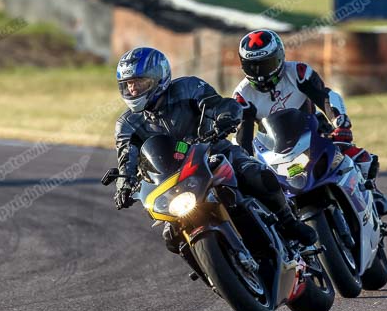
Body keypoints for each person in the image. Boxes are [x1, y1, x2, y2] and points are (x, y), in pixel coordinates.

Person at [113, 46, 317, 250]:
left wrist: (225, 117)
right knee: (172, 238)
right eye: (128, 84)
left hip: (214, 152)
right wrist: (124, 184)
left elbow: (218, 104)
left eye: (139, 82)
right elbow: (126, 157)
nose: (133, 90)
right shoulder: (127, 124)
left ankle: (289, 223)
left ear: (158, 78)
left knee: (258, 176)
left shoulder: (188, 87)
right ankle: (212, 265)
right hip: (173, 179)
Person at [233, 29, 387, 217]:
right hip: (275, 148)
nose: (260, 74)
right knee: (258, 187)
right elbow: (243, 137)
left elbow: (325, 97)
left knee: (361, 158)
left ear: (280, 57)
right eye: (252, 67)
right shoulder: (242, 95)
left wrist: (340, 123)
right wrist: (246, 163)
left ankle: (372, 192)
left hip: (315, 132)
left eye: (266, 64)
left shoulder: (298, 72)